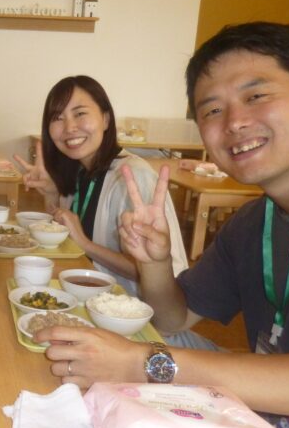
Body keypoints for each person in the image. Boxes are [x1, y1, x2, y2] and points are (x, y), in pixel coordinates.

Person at [37, 22, 289, 426]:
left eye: (256, 96)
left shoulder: (129, 172)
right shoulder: (251, 224)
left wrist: (143, 363)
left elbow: (160, 344)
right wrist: (154, 263)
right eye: (213, 110)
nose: (234, 122)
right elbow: (173, 319)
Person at [14, 75, 189, 297]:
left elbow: (162, 272)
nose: (69, 127)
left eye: (80, 114)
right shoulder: (79, 169)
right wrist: (52, 193)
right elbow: (62, 236)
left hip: (130, 307)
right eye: (58, 117)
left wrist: (86, 244)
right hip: (85, 294)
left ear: (105, 119)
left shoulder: (133, 176)